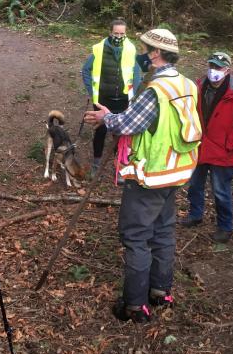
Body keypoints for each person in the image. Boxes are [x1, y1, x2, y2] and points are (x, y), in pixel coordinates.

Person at [84, 29, 202, 323]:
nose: (142, 54)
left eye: (145, 49)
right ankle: (160, 291)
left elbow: (130, 125)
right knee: (163, 231)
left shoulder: (156, 90)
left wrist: (105, 117)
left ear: (155, 54)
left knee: (136, 236)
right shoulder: (186, 83)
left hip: (151, 175)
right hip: (177, 171)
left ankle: (135, 305)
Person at [180, 52, 233, 243]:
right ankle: (195, 215)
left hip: (222, 152)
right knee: (194, 185)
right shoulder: (198, 87)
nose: (214, 70)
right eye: (211, 65)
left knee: (221, 191)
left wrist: (229, 145)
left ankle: (225, 227)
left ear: (227, 70)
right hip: (200, 147)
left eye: (218, 67)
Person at [81, 19, 141, 175]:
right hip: (103, 100)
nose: (119, 36)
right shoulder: (99, 49)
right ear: (110, 32)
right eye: (116, 33)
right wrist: (92, 90)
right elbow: (86, 70)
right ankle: (96, 165)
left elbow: (137, 74)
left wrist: (132, 93)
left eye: (122, 33)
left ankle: (119, 166)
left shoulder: (130, 49)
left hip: (122, 101)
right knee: (100, 132)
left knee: (120, 135)